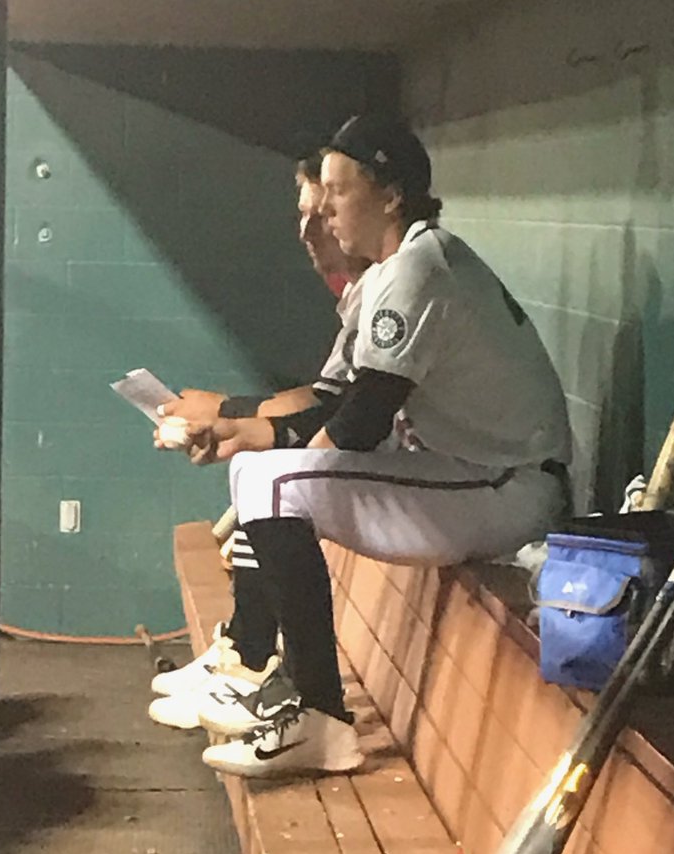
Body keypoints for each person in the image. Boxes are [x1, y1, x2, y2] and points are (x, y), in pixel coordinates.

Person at [195, 114, 573, 779]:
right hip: (469, 475)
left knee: (272, 484)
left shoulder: (419, 268)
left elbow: (361, 423)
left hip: (505, 487)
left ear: (391, 194)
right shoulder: (397, 267)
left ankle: (313, 711)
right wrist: (243, 435)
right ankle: (283, 685)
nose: (327, 212)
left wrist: (283, 463)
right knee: (264, 475)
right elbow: (340, 403)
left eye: (340, 192)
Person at [148, 154, 369, 729]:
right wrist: (229, 416)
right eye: (304, 215)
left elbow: (344, 410)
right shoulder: (360, 292)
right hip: (419, 476)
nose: (308, 230)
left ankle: (262, 668)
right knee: (265, 465)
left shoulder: (391, 286)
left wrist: (229, 415)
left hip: (462, 487)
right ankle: (248, 655)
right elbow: (325, 395)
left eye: (322, 212)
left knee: (271, 469)